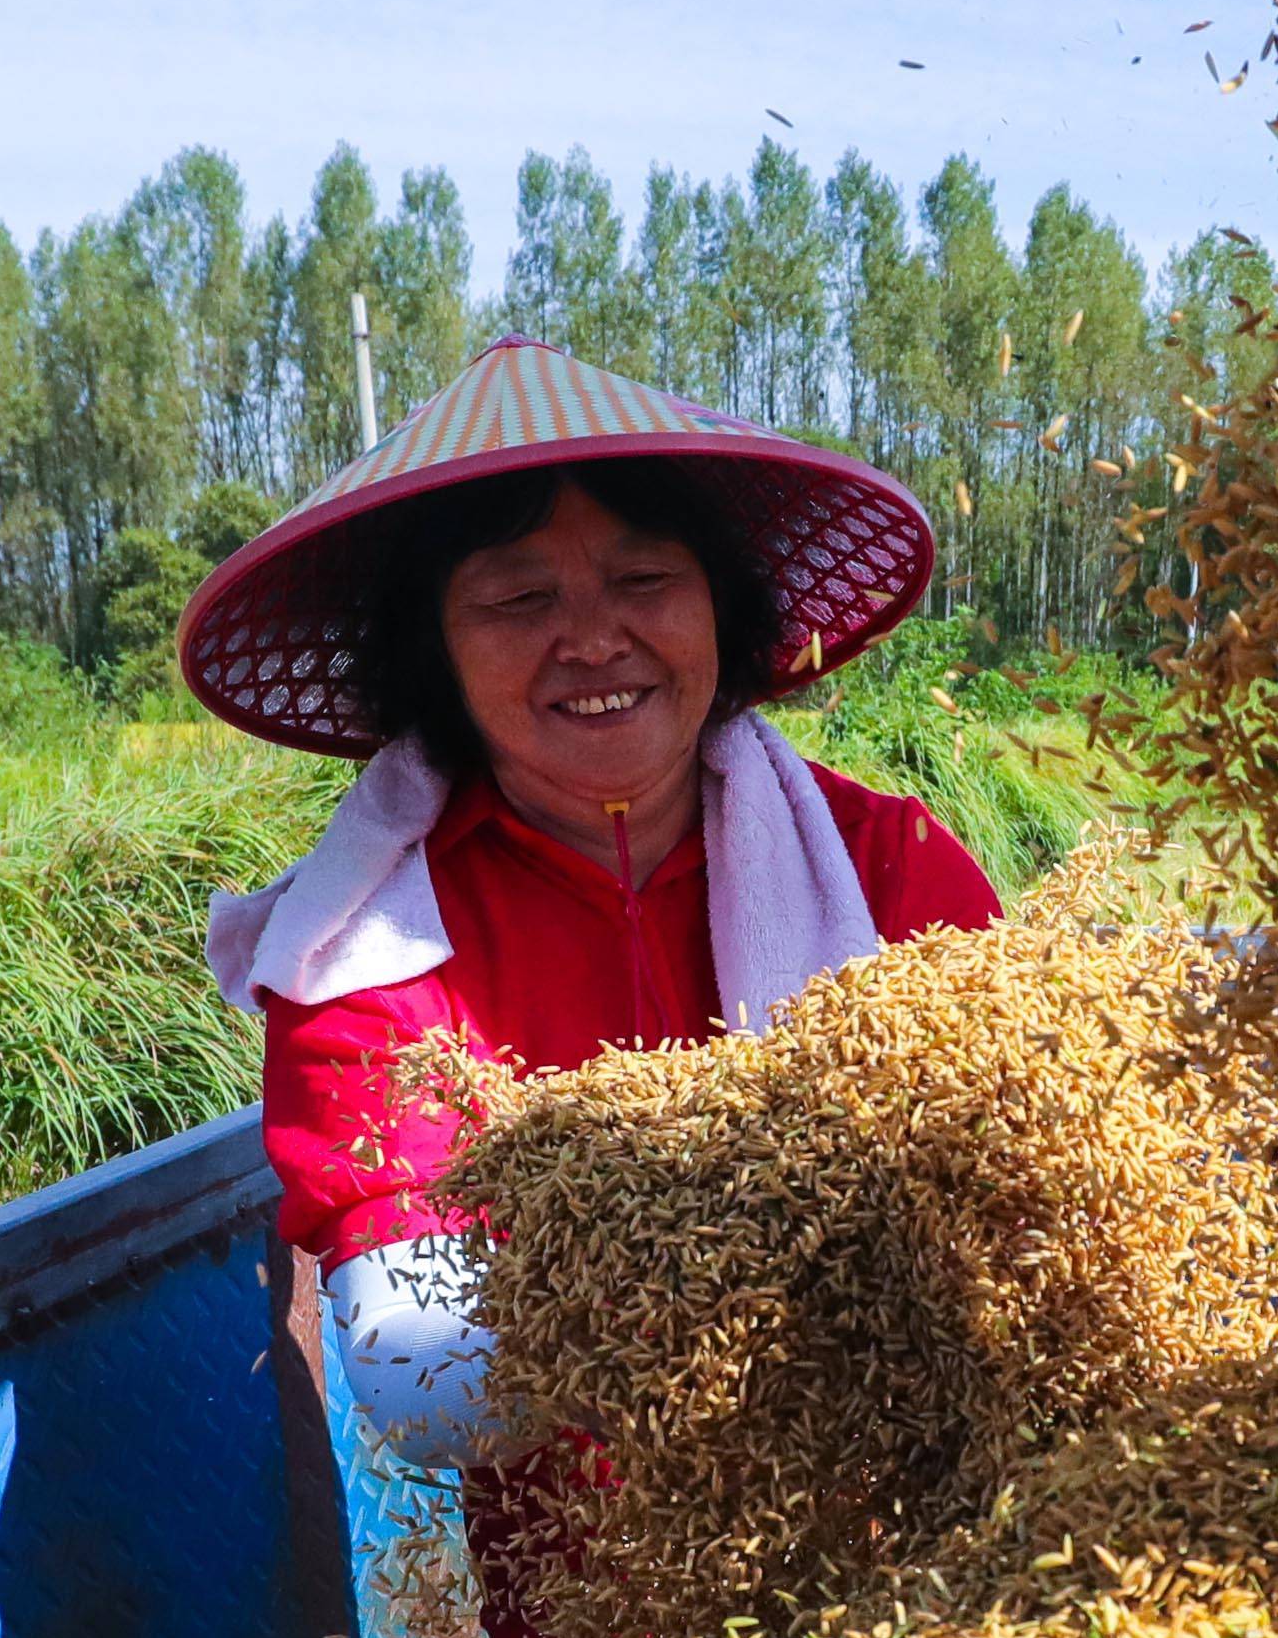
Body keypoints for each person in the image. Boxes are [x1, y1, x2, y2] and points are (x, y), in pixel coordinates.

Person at [192, 336, 1001, 1472]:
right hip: (603, 1607)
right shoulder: (366, 957)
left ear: (721, 607)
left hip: (939, 1545)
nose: (592, 639)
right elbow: (423, 1378)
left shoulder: (886, 867)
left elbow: (1028, 1189)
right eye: (519, 598)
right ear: (436, 654)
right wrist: (781, 1284)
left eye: (645, 581)